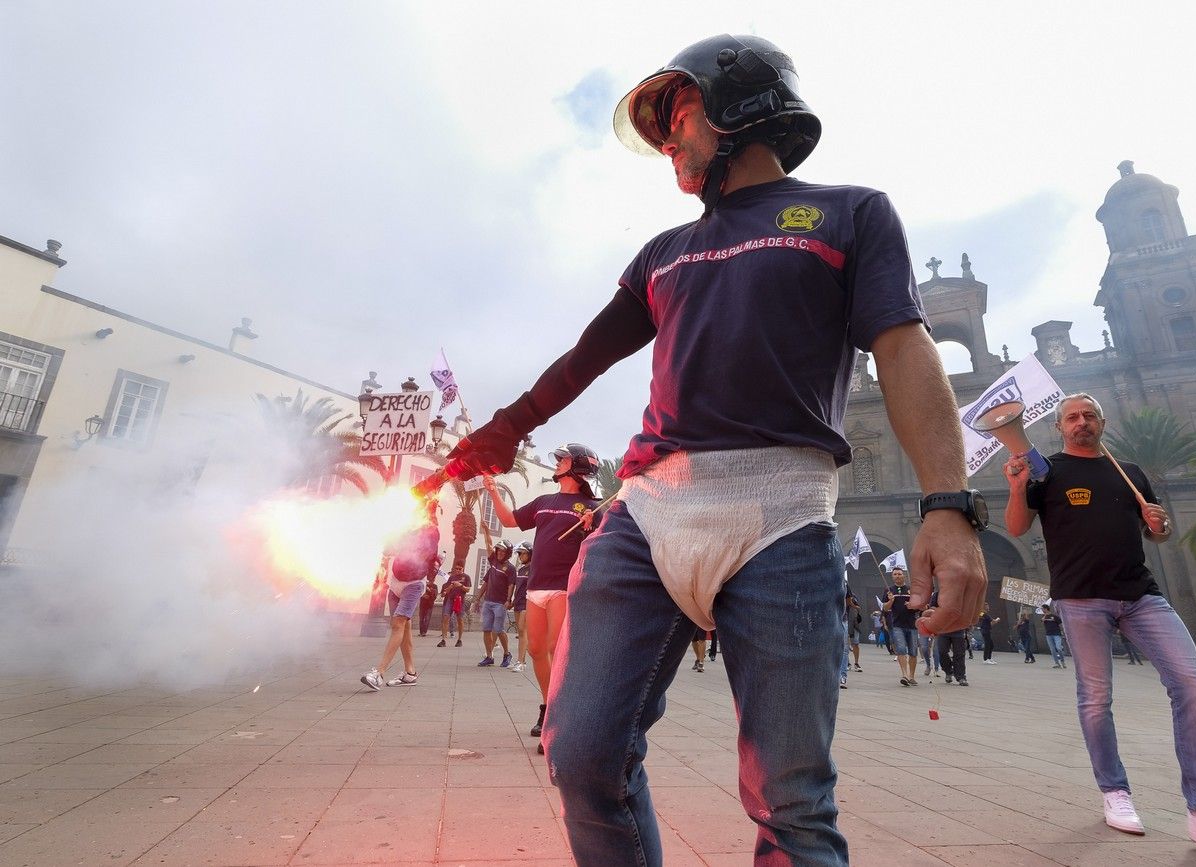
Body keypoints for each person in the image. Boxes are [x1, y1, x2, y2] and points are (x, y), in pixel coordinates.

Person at [443, 33, 987, 866]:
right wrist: (507, 427)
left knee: (793, 805)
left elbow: (905, 349)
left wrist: (947, 505)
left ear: (740, 107)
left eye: (680, 119)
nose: (669, 146)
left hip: (782, 516)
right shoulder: (663, 251)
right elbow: (586, 357)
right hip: (646, 513)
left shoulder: (851, 212)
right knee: (581, 751)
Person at [1004, 392, 1196, 865]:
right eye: (1072, 416)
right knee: (1095, 699)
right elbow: (1015, 527)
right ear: (1059, 426)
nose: (1081, 422)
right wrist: (1016, 486)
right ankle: (1114, 792)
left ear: (1103, 423)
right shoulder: (1047, 471)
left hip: (1141, 595)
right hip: (1081, 598)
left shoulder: (1129, 471)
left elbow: (1158, 532)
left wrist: (1160, 521)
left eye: (1089, 415)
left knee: (1193, 685)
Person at [481, 445, 600, 754]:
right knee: (535, 650)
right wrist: (492, 490)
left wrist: (592, 526)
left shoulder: (593, 507)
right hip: (536, 587)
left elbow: (605, 545)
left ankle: (560, 722)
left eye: (563, 459)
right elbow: (508, 520)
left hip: (564, 586)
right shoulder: (544, 502)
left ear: (577, 467)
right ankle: (548, 708)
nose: (557, 462)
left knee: (554, 649)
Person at [360, 521, 440, 690]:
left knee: (398, 624)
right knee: (405, 627)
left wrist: (403, 547)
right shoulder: (405, 524)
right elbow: (388, 548)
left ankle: (378, 674)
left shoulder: (431, 531)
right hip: (396, 582)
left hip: (414, 583)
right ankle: (410, 673)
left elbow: (426, 554)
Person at [473, 541, 516, 668]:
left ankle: (507, 654)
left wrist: (508, 600)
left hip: (500, 604)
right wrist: (477, 599)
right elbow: (485, 583)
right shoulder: (494, 564)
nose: (500, 553)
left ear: (507, 553)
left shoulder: (510, 568)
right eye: (499, 550)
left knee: (498, 630)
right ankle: (489, 656)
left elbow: (511, 585)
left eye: (503, 551)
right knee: (486, 629)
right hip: (488, 602)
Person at [885, 568, 919, 686]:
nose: (897, 576)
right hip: (897, 625)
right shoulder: (889, 590)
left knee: (913, 652)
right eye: (895, 574)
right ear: (892, 576)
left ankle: (912, 676)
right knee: (901, 650)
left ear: (904, 575)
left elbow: (919, 606)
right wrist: (890, 601)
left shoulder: (912, 589)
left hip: (912, 625)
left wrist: (912, 606)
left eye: (899, 574)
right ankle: (904, 675)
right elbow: (885, 608)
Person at [508, 542, 533, 672]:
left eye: (523, 553)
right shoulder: (521, 569)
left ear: (530, 554)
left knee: (523, 631)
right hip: (518, 603)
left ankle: (520, 662)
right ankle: (521, 660)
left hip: (527, 603)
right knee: (521, 632)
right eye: (519, 553)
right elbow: (518, 587)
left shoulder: (534, 568)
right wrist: (511, 601)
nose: (520, 556)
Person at [437, 562, 471, 647]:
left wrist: (460, 585)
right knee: (446, 617)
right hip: (450, 599)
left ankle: (459, 639)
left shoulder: (466, 577)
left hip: (460, 600)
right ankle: (443, 640)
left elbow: (468, 590)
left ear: (463, 569)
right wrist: (449, 588)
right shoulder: (451, 577)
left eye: (460, 569)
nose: (458, 570)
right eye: (456, 569)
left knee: (460, 619)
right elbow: (446, 590)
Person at [1042, 603, 1067, 668]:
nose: (1042, 610)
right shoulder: (1044, 617)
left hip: (1056, 634)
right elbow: (1042, 621)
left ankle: (1062, 661)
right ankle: (1057, 663)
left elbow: (1060, 622)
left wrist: (1054, 620)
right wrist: (1044, 616)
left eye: (1042, 608)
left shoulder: (1054, 616)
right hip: (1048, 635)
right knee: (1052, 650)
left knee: (1058, 648)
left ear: (1046, 609)